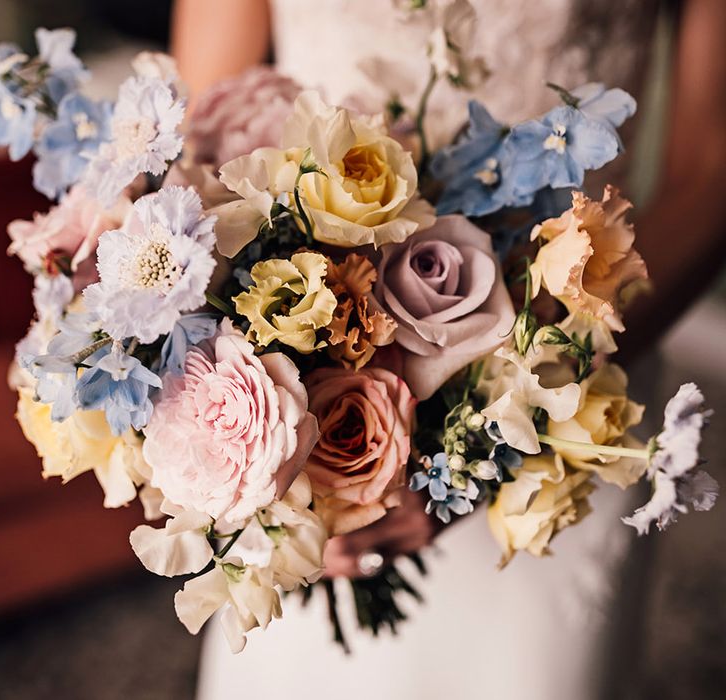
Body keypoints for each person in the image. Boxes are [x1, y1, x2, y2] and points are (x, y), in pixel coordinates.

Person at [171, 1, 726, 698]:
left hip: (574, 381)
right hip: (300, 395)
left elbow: (711, 169)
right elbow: (195, 137)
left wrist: (519, 401)